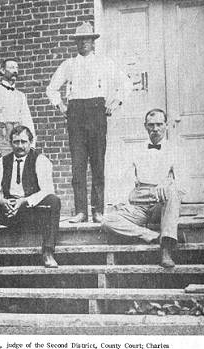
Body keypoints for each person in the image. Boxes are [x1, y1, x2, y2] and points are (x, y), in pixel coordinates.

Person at [46, 22, 131, 223]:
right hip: (75, 114)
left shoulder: (105, 62)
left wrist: (115, 102)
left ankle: (98, 211)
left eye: (87, 39)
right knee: (78, 165)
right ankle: (81, 211)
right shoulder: (68, 65)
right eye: (80, 40)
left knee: (98, 164)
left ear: (93, 42)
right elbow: (51, 89)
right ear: (76, 43)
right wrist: (61, 107)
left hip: (96, 112)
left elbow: (125, 83)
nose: (83, 43)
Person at [0, 125, 61, 269]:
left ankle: (48, 252)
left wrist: (24, 201)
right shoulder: (2, 162)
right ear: (11, 143)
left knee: (54, 201)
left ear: (31, 142)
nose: (20, 146)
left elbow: (47, 190)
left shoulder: (41, 160)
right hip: (7, 211)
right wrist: (1, 201)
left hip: (30, 212)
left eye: (23, 142)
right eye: (16, 142)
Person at [101, 109, 184, 268]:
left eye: (159, 124)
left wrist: (168, 183)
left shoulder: (175, 149)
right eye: (151, 125)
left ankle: (166, 249)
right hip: (138, 204)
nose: (155, 129)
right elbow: (121, 177)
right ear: (145, 126)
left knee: (173, 192)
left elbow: (184, 185)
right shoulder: (135, 150)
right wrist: (119, 201)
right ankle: (152, 236)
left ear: (166, 126)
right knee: (107, 221)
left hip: (161, 202)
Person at [0, 58, 35, 159]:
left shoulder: (21, 95)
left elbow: (27, 119)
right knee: (3, 169)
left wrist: (32, 144)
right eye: (11, 68)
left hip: (18, 136)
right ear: (2, 70)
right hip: (2, 137)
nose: (15, 71)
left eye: (17, 68)